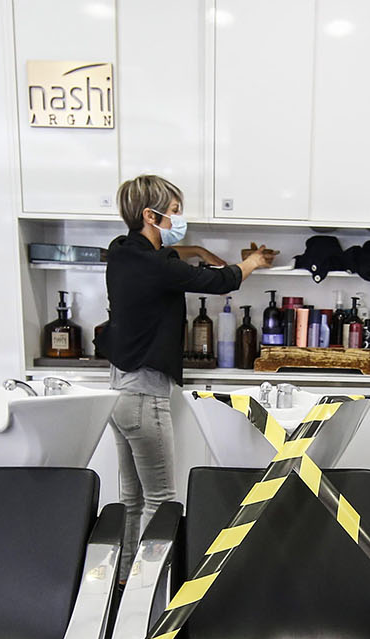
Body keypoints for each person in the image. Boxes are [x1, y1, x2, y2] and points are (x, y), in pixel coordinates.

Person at [101, 174, 273, 578]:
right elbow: (219, 280)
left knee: (131, 500)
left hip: (119, 392)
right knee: (161, 500)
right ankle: (153, 586)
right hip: (144, 397)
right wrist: (251, 262)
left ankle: (124, 582)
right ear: (151, 215)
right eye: (175, 211)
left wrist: (193, 249)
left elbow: (166, 256)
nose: (180, 217)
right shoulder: (156, 266)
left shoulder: (122, 251)